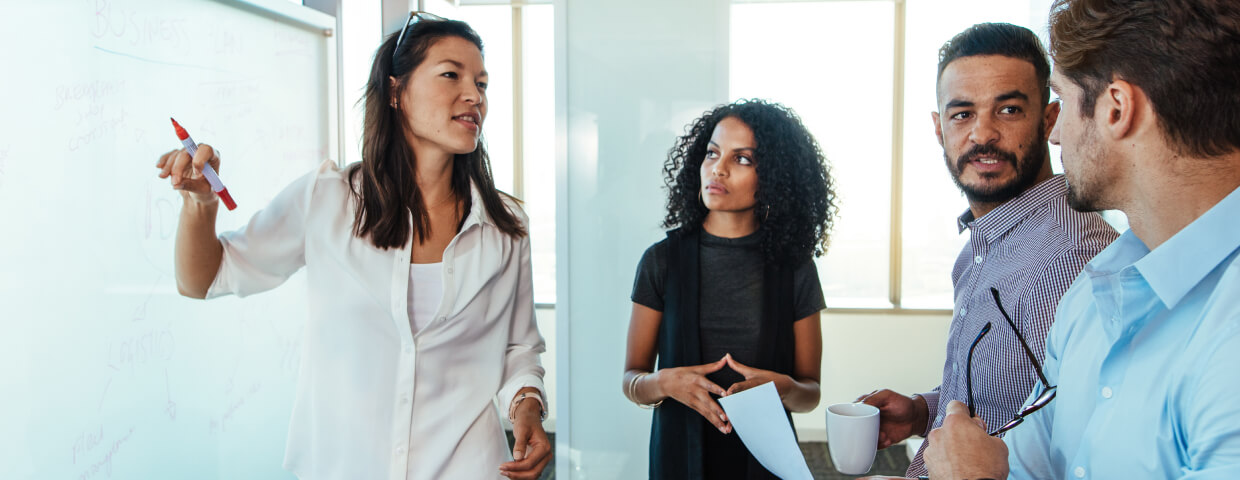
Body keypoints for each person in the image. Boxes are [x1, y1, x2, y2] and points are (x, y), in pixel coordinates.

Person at [155, 13, 550, 480]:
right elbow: (203, 279)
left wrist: (527, 410)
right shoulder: (327, 200)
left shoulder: (507, 226)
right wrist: (201, 203)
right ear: (396, 91)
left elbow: (517, 347)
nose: (474, 95)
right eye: (452, 75)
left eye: (481, 83)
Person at [924, 0, 1240, 478]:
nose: (1057, 137)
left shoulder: (1224, 334)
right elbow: (1031, 459)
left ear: (1116, 108)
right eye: (962, 114)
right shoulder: (1099, 287)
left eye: (1065, 102)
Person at [856, 23, 1116, 478]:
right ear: (939, 129)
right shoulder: (982, 245)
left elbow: (1074, 446)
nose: (983, 134)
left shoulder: (1072, 257)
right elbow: (1007, 396)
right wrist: (923, 411)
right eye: (961, 114)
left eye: (1009, 109)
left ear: (1050, 120)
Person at [622, 99, 836, 479]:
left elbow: (809, 392)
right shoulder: (661, 262)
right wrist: (662, 382)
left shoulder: (795, 269)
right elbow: (632, 380)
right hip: (679, 461)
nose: (717, 169)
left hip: (766, 462)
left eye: (742, 159)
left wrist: (783, 387)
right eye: (712, 153)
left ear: (773, 176)